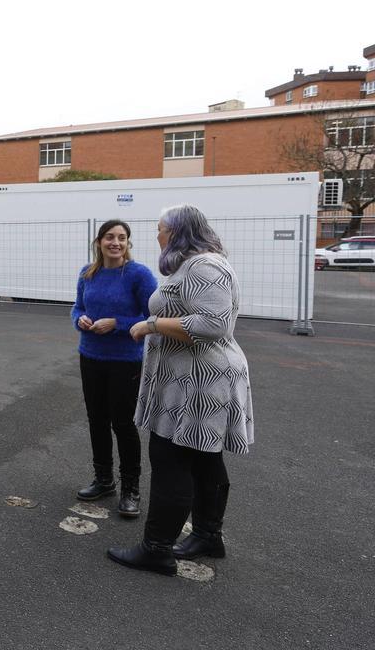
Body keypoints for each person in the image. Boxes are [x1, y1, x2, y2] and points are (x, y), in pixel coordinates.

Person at [108, 204, 254, 576]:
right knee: (203, 458)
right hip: (191, 378)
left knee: (171, 458)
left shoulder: (204, 266)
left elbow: (214, 324)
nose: (157, 235)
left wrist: (152, 324)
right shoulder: (195, 264)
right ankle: (207, 535)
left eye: (160, 228)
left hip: (199, 381)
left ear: (176, 232)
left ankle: (157, 549)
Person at [71, 220, 157, 519]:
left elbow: (153, 317)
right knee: (97, 420)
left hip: (125, 360)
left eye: (122, 238)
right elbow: (78, 307)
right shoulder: (88, 273)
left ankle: (131, 488)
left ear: (128, 243)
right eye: (110, 237)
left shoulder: (138, 274)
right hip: (90, 356)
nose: (115, 243)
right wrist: (80, 319)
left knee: (123, 424)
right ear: (99, 242)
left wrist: (117, 324)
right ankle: (104, 479)